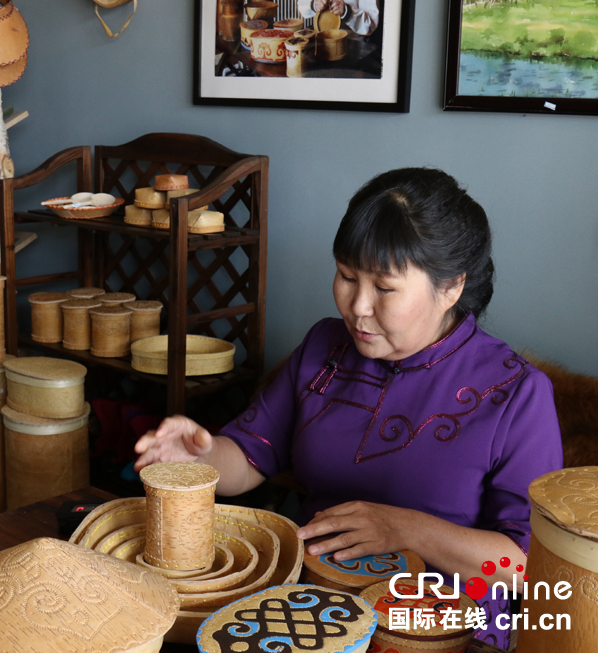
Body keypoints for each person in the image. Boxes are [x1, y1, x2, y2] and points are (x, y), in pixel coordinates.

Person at [134, 167, 563, 649]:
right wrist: (200, 458)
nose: (357, 306)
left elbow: (525, 567)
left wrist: (407, 529)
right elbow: (253, 457)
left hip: (438, 628)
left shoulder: (517, 392)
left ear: (451, 288)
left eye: (383, 288)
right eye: (345, 276)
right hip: (308, 601)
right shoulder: (325, 348)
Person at [298, 0, 380, 36]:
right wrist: (314, 4)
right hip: (320, 40)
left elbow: (371, 24)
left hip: (352, 44)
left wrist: (347, 12)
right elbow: (301, 5)